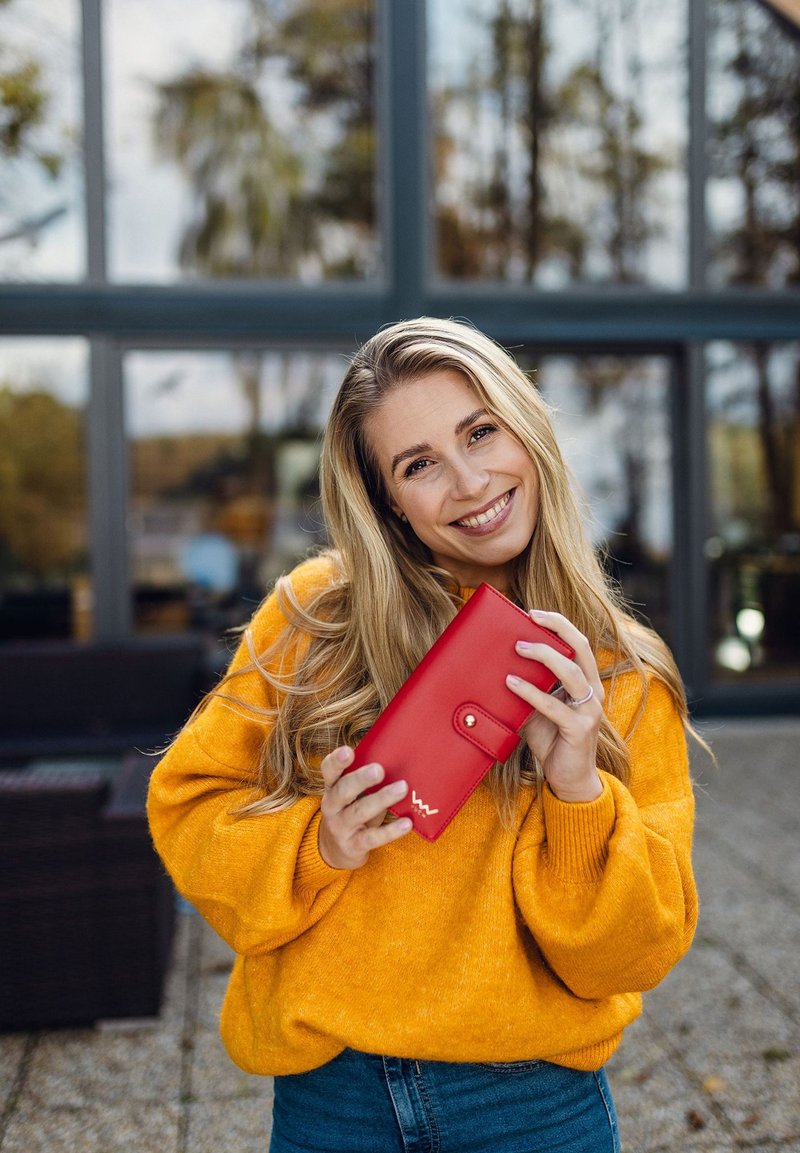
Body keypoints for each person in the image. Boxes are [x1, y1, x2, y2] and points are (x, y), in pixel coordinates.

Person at [147, 316, 699, 1153]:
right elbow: (187, 808)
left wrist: (577, 789)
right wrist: (317, 843)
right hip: (335, 1099)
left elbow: (633, 956)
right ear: (388, 502)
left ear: (527, 426)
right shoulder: (314, 619)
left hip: (535, 1108)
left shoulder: (620, 675)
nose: (471, 481)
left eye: (480, 431)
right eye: (419, 465)